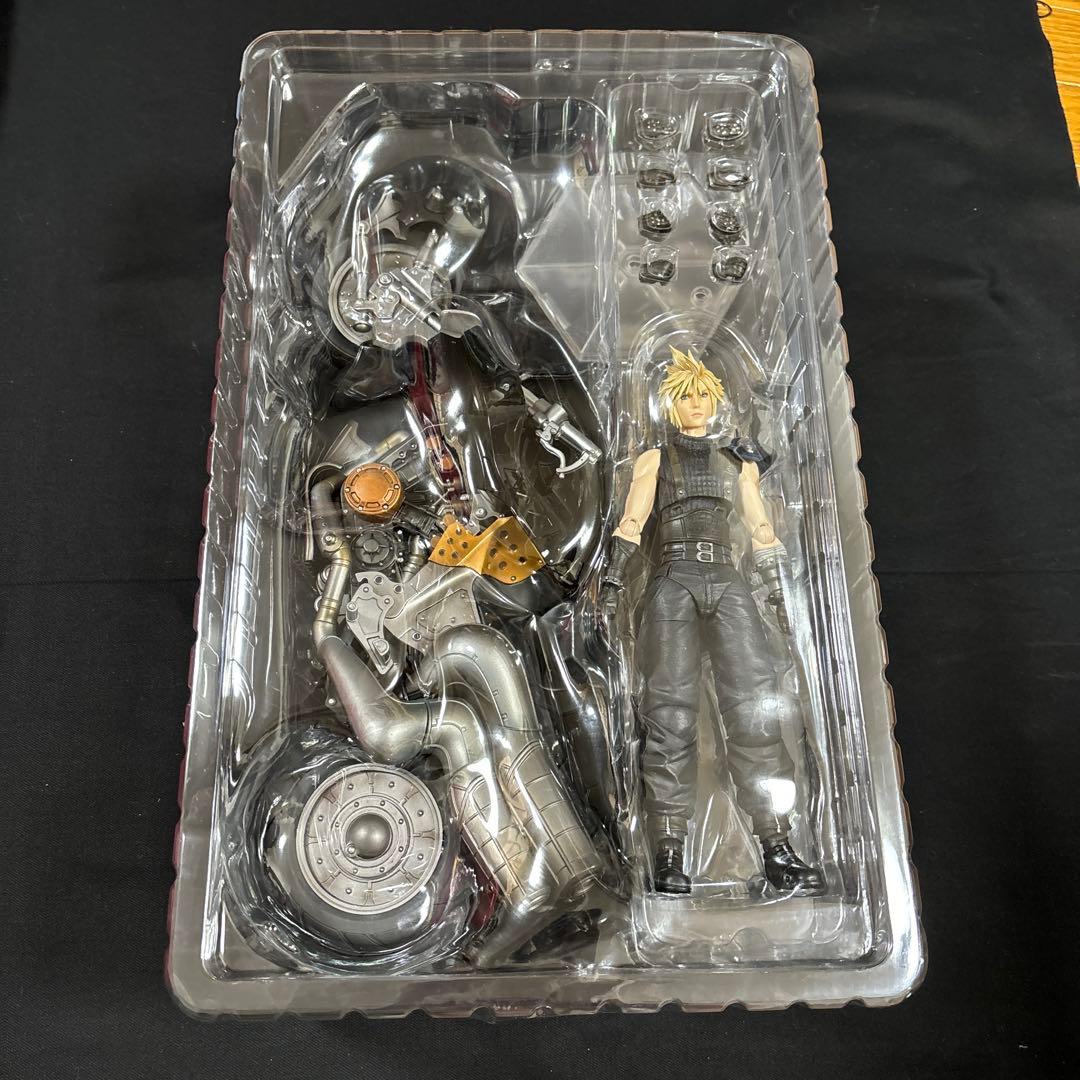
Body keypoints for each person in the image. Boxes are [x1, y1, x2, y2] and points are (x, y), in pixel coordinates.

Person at [600, 347, 825, 896]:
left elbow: (761, 526)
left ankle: (777, 847)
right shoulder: (654, 459)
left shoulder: (738, 461)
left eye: (704, 395)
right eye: (687, 396)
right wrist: (611, 581)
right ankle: (669, 853)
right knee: (669, 715)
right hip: (673, 578)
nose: (697, 404)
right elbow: (632, 519)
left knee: (753, 708)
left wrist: (779, 591)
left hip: (727, 578)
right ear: (671, 404)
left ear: (717, 400)